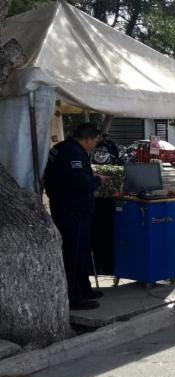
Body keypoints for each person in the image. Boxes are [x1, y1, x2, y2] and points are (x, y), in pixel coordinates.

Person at [44, 123, 109, 310]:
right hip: (73, 211)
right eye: (94, 142)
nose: (94, 146)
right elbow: (82, 184)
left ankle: (83, 288)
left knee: (82, 252)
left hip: (70, 208)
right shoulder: (72, 153)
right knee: (74, 254)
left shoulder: (62, 148)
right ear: (87, 138)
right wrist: (98, 180)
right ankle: (74, 297)